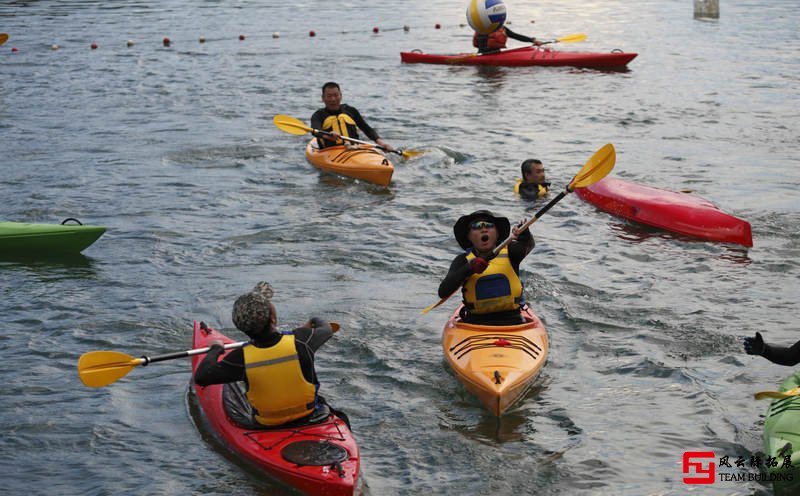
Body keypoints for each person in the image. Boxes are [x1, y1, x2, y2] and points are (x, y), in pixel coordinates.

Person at [194, 282, 339, 428]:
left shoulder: (239, 358)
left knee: (233, 384)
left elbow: (201, 377)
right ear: (273, 318)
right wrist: (312, 322)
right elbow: (326, 328)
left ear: (240, 326)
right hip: (309, 417)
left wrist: (216, 349)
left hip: (268, 425)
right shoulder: (302, 340)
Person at [438, 210, 534, 326]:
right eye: (476, 226)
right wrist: (469, 269)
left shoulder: (512, 251)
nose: (484, 229)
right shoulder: (463, 261)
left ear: (497, 234)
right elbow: (443, 292)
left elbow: (528, 245)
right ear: (468, 236)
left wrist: (525, 235)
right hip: (475, 323)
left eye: (489, 225)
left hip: (513, 321)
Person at [310, 81, 394, 152]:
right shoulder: (318, 115)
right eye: (329, 96)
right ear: (323, 98)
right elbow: (315, 131)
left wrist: (382, 144)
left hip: (354, 149)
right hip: (330, 151)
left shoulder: (350, 110)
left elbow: (366, 129)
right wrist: (328, 135)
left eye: (336, 95)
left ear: (341, 96)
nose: (333, 99)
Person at [473, 25, 543, 54]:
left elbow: (515, 36)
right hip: (484, 55)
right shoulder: (481, 27)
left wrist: (532, 40)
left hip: (493, 54)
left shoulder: (500, 27)